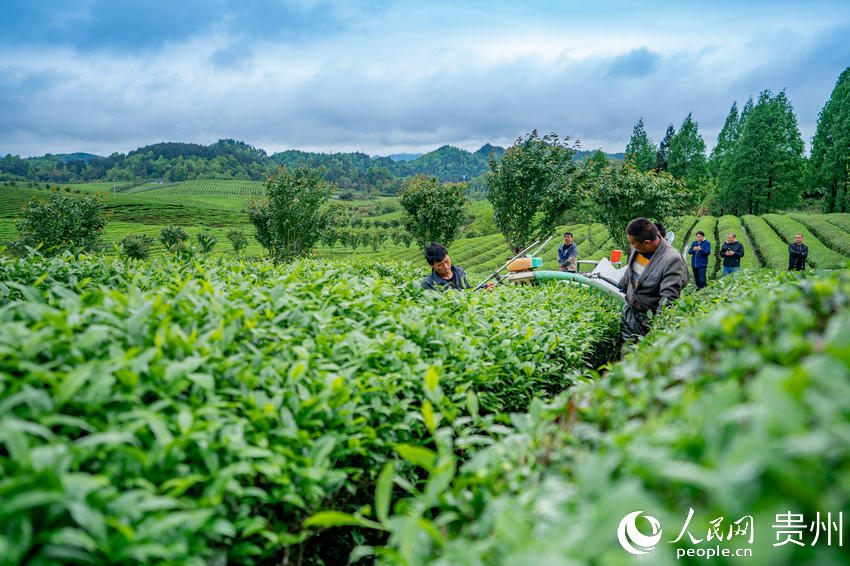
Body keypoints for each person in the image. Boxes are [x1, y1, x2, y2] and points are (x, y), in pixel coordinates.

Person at [619, 218, 689, 339]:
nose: (631, 246)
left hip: (648, 320)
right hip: (631, 313)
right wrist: (623, 284)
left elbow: (668, 298)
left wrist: (657, 329)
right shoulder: (638, 248)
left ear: (646, 242)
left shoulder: (671, 259)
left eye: (632, 243)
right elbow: (631, 270)